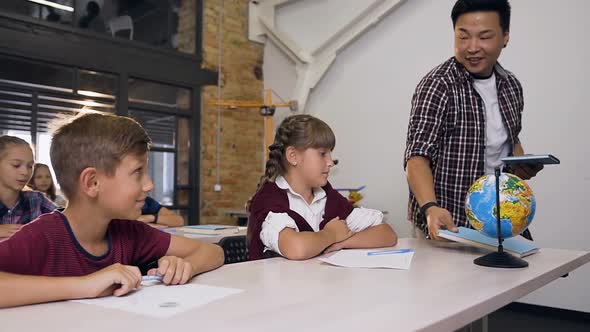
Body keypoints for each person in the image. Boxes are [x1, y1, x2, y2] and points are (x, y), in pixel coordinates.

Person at [0, 113, 224, 308]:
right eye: (138, 172)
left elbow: (214, 252)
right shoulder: (43, 236)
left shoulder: (130, 232)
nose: (149, 185)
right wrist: (84, 285)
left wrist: (186, 266)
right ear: (92, 182)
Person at [404, 0, 542, 241]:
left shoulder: (511, 86)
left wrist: (522, 164)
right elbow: (416, 158)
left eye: (485, 37)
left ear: (505, 37)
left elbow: (511, 141)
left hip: (498, 220)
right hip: (448, 224)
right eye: (463, 36)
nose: (472, 47)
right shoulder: (439, 86)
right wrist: (430, 208)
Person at [248, 114, 397, 260]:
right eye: (322, 154)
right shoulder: (269, 200)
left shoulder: (327, 196)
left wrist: (341, 243)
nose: (330, 162)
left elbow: (387, 234)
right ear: (293, 156)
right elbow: (296, 248)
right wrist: (331, 235)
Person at [0, 136, 57, 239]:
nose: (25, 172)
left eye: (30, 166)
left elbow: (66, 220)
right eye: (16, 165)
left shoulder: (37, 200)